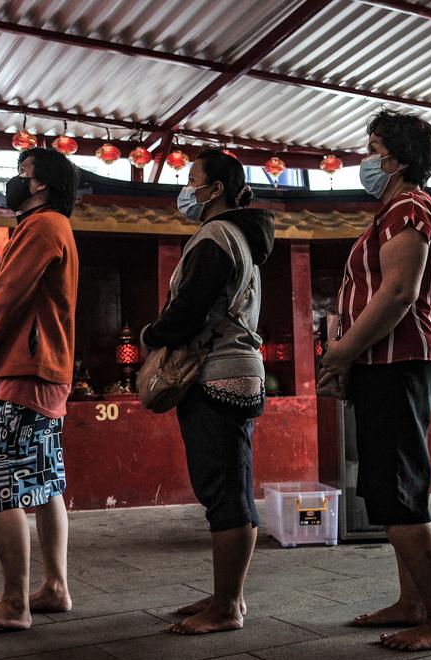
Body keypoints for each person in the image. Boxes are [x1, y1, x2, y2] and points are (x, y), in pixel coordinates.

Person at [318, 109, 431, 652]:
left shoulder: (409, 207)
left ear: (398, 160)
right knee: (393, 485)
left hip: (396, 361)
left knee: (398, 487)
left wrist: (342, 352)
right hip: (384, 362)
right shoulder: (396, 209)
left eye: (374, 150)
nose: (367, 160)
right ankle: (413, 603)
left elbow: (399, 292)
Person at [143, 149, 274, 635]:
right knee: (228, 485)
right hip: (237, 370)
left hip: (216, 372)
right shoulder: (239, 236)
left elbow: (190, 309)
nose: (186, 187)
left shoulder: (217, 235)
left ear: (215, 189)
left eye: (191, 178)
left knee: (225, 491)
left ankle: (227, 607)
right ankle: (225, 594)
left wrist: (152, 336)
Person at [0, 147, 78, 632]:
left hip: (23, 373)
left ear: (41, 184)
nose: (15, 180)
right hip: (44, 373)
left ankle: (14, 604)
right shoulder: (54, 226)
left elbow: (8, 293)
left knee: (3, 485)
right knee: (46, 483)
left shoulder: (41, 225)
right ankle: (55, 587)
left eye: (22, 173)